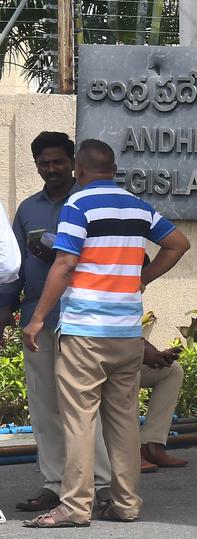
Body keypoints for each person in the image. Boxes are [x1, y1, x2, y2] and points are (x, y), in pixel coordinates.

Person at [21, 139, 191, 528]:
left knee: (79, 420)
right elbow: (178, 243)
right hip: (127, 333)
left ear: (79, 170)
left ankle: (75, 506)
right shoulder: (138, 207)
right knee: (123, 420)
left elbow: (64, 264)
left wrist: (37, 318)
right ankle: (126, 503)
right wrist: (140, 279)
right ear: (113, 169)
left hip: (84, 331)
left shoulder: (77, 206)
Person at [0, 132, 112, 514]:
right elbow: (11, 268)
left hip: (80, 318)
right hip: (36, 319)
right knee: (45, 406)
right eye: (44, 163)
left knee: (81, 406)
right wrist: (5, 312)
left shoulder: (86, 205)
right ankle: (54, 483)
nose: (51, 169)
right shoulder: (28, 209)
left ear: (73, 163)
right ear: (36, 166)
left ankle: (99, 484)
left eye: (59, 162)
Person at [139, 340, 189, 470]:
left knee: (172, 370)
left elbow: (129, 329)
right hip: (93, 357)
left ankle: (151, 445)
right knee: (125, 373)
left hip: (122, 350)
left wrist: (155, 355)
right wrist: (145, 352)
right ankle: (128, 452)